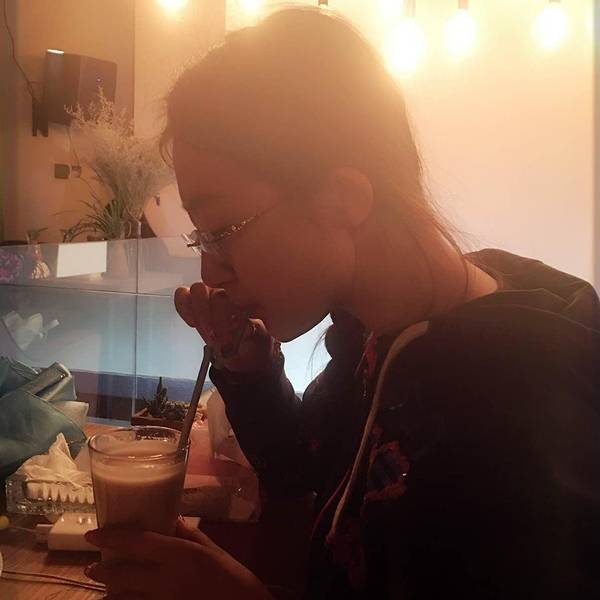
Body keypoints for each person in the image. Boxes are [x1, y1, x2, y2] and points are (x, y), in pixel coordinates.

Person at [83, 8, 600, 599]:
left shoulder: (520, 417)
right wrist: (250, 372)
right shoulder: (381, 331)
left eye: (221, 231)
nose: (210, 272)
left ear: (343, 200)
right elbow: (310, 467)